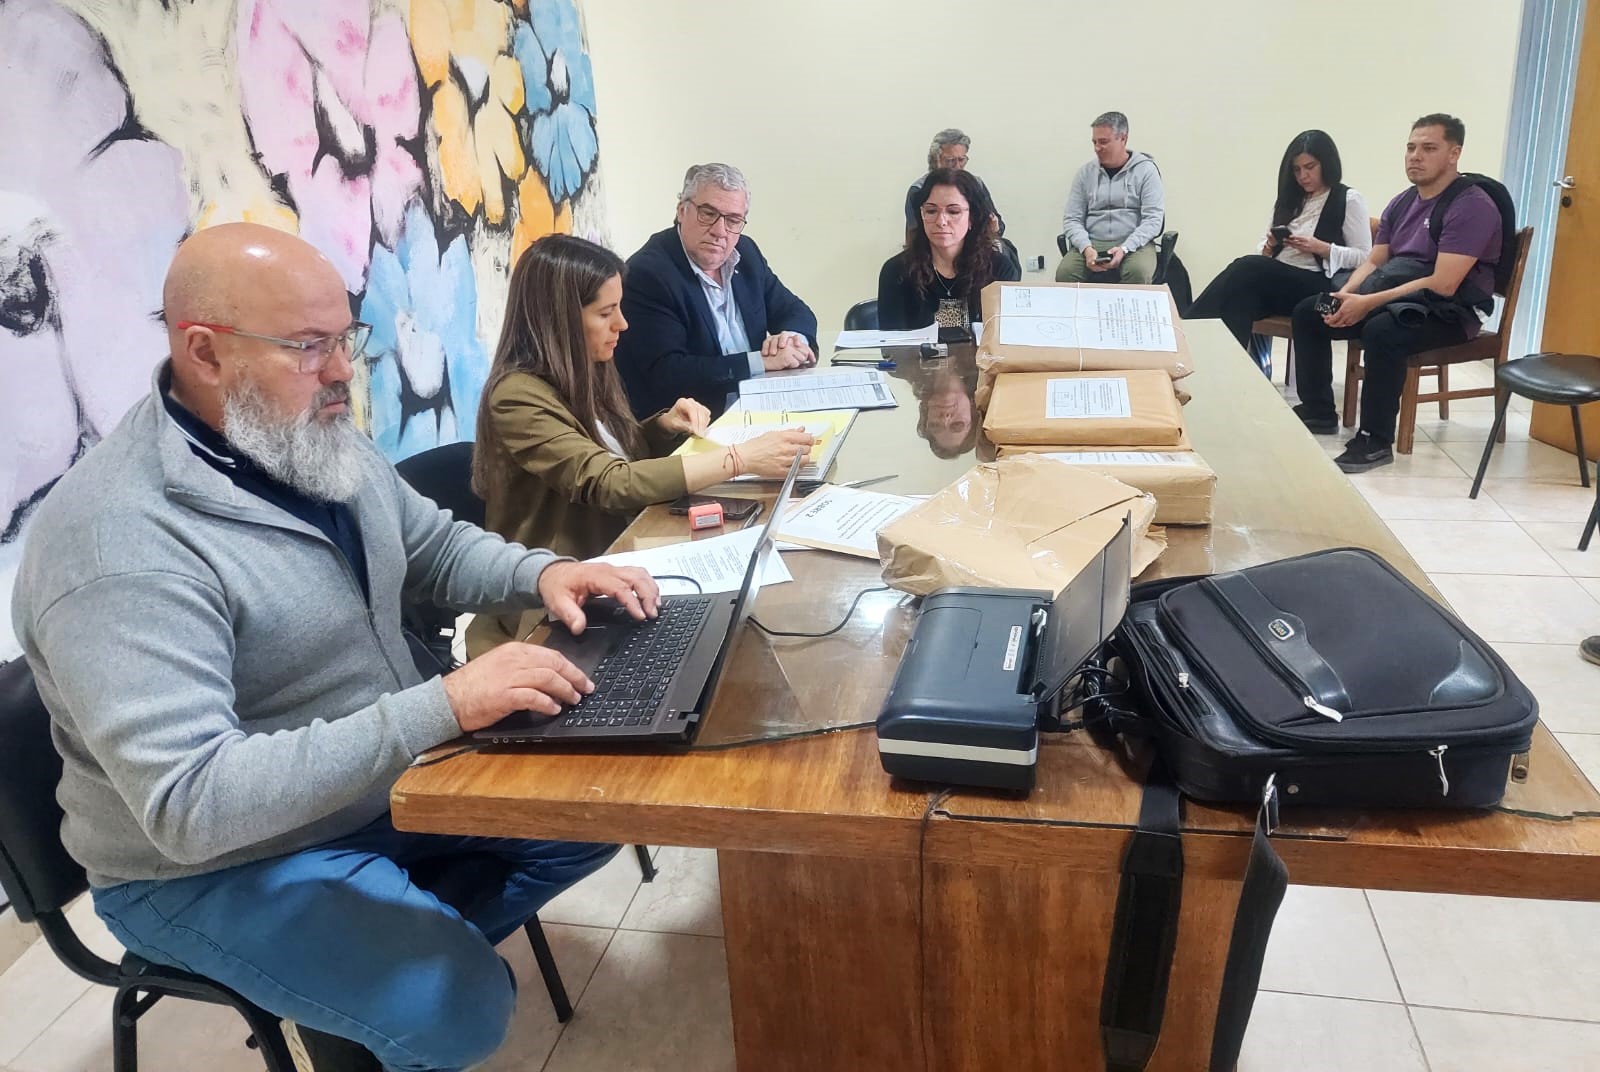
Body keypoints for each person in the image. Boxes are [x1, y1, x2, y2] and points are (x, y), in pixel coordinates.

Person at [9, 223, 664, 1072]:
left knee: (599, 809)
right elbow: (190, 803)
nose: (344, 371)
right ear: (205, 352)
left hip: (368, 782)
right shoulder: (116, 545)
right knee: (461, 1008)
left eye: (345, 337)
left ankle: (365, 974)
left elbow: (432, 546)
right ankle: (378, 983)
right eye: (308, 347)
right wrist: (443, 706)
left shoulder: (302, 434)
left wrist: (545, 574)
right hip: (205, 865)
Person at [467, 234, 814, 656]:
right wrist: (739, 458)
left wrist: (661, 428)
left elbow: (611, 452)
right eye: (606, 313)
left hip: (617, 558)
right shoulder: (516, 396)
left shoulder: (586, 367)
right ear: (560, 320)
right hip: (554, 600)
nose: (622, 324)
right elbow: (607, 482)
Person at [1290, 114, 1503, 473]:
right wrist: (1346, 294)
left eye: (1429, 148)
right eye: (1411, 147)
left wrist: (1367, 304)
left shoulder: (1472, 206)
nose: (1415, 156)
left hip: (1451, 311)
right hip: (1400, 297)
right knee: (1311, 311)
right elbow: (1376, 260)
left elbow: (1444, 284)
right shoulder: (1402, 202)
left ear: (1454, 153)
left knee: (1382, 332)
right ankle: (1318, 411)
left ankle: (1375, 440)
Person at [615, 163, 818, 420]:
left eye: (733, 220)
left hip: (761, 406)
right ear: (681, 211)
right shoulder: (649, 273)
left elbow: (795, 310)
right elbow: (669, 373)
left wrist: (792, 340)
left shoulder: (746, 253)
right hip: (695, 422)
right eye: (708, 213)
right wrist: (761, 362)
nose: (720, 231)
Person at [1186, 130, 1372, 376]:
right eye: (1296, 170)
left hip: (1318, 283)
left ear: (1326, 163)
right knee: (1239, 298)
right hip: (1280, 281)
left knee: (1246, 267)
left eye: (1310, 167)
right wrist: (1269, 247)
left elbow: (1365, 257)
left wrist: (1322, 248)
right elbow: (1263, 250)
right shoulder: (1290, 200)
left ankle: (1185, 332)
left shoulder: (1348, 199)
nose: (1303, 176)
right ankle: (1224, 376)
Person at [878, 168, 1021, 332]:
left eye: (953, 211)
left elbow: (1005, 337)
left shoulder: (999, 268)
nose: (941, 221)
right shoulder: (896, 271)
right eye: (931, 211)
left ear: (972, 218)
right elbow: (892, 343)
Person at [1055, 111, 1166, 285]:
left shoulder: (1146, 170)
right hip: (1092, 241)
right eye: (1094, 142)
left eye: (1103, 142)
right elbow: (1072, 219)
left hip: (1134, 242)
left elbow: (1153, 219)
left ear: (1123, 138)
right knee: (1065, 273)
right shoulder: (1085, 173)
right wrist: (1086, 248)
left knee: (1138, 272)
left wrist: (1125, 248)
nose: (1097, 148)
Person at [903, 127, 1005, 236]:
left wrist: (994, 229)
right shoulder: (919, 189)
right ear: (936, 160)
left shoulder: (976, 184)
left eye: (961, 160)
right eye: (950, 160)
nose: (957, 166)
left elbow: (998, 224)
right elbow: (915, 234)